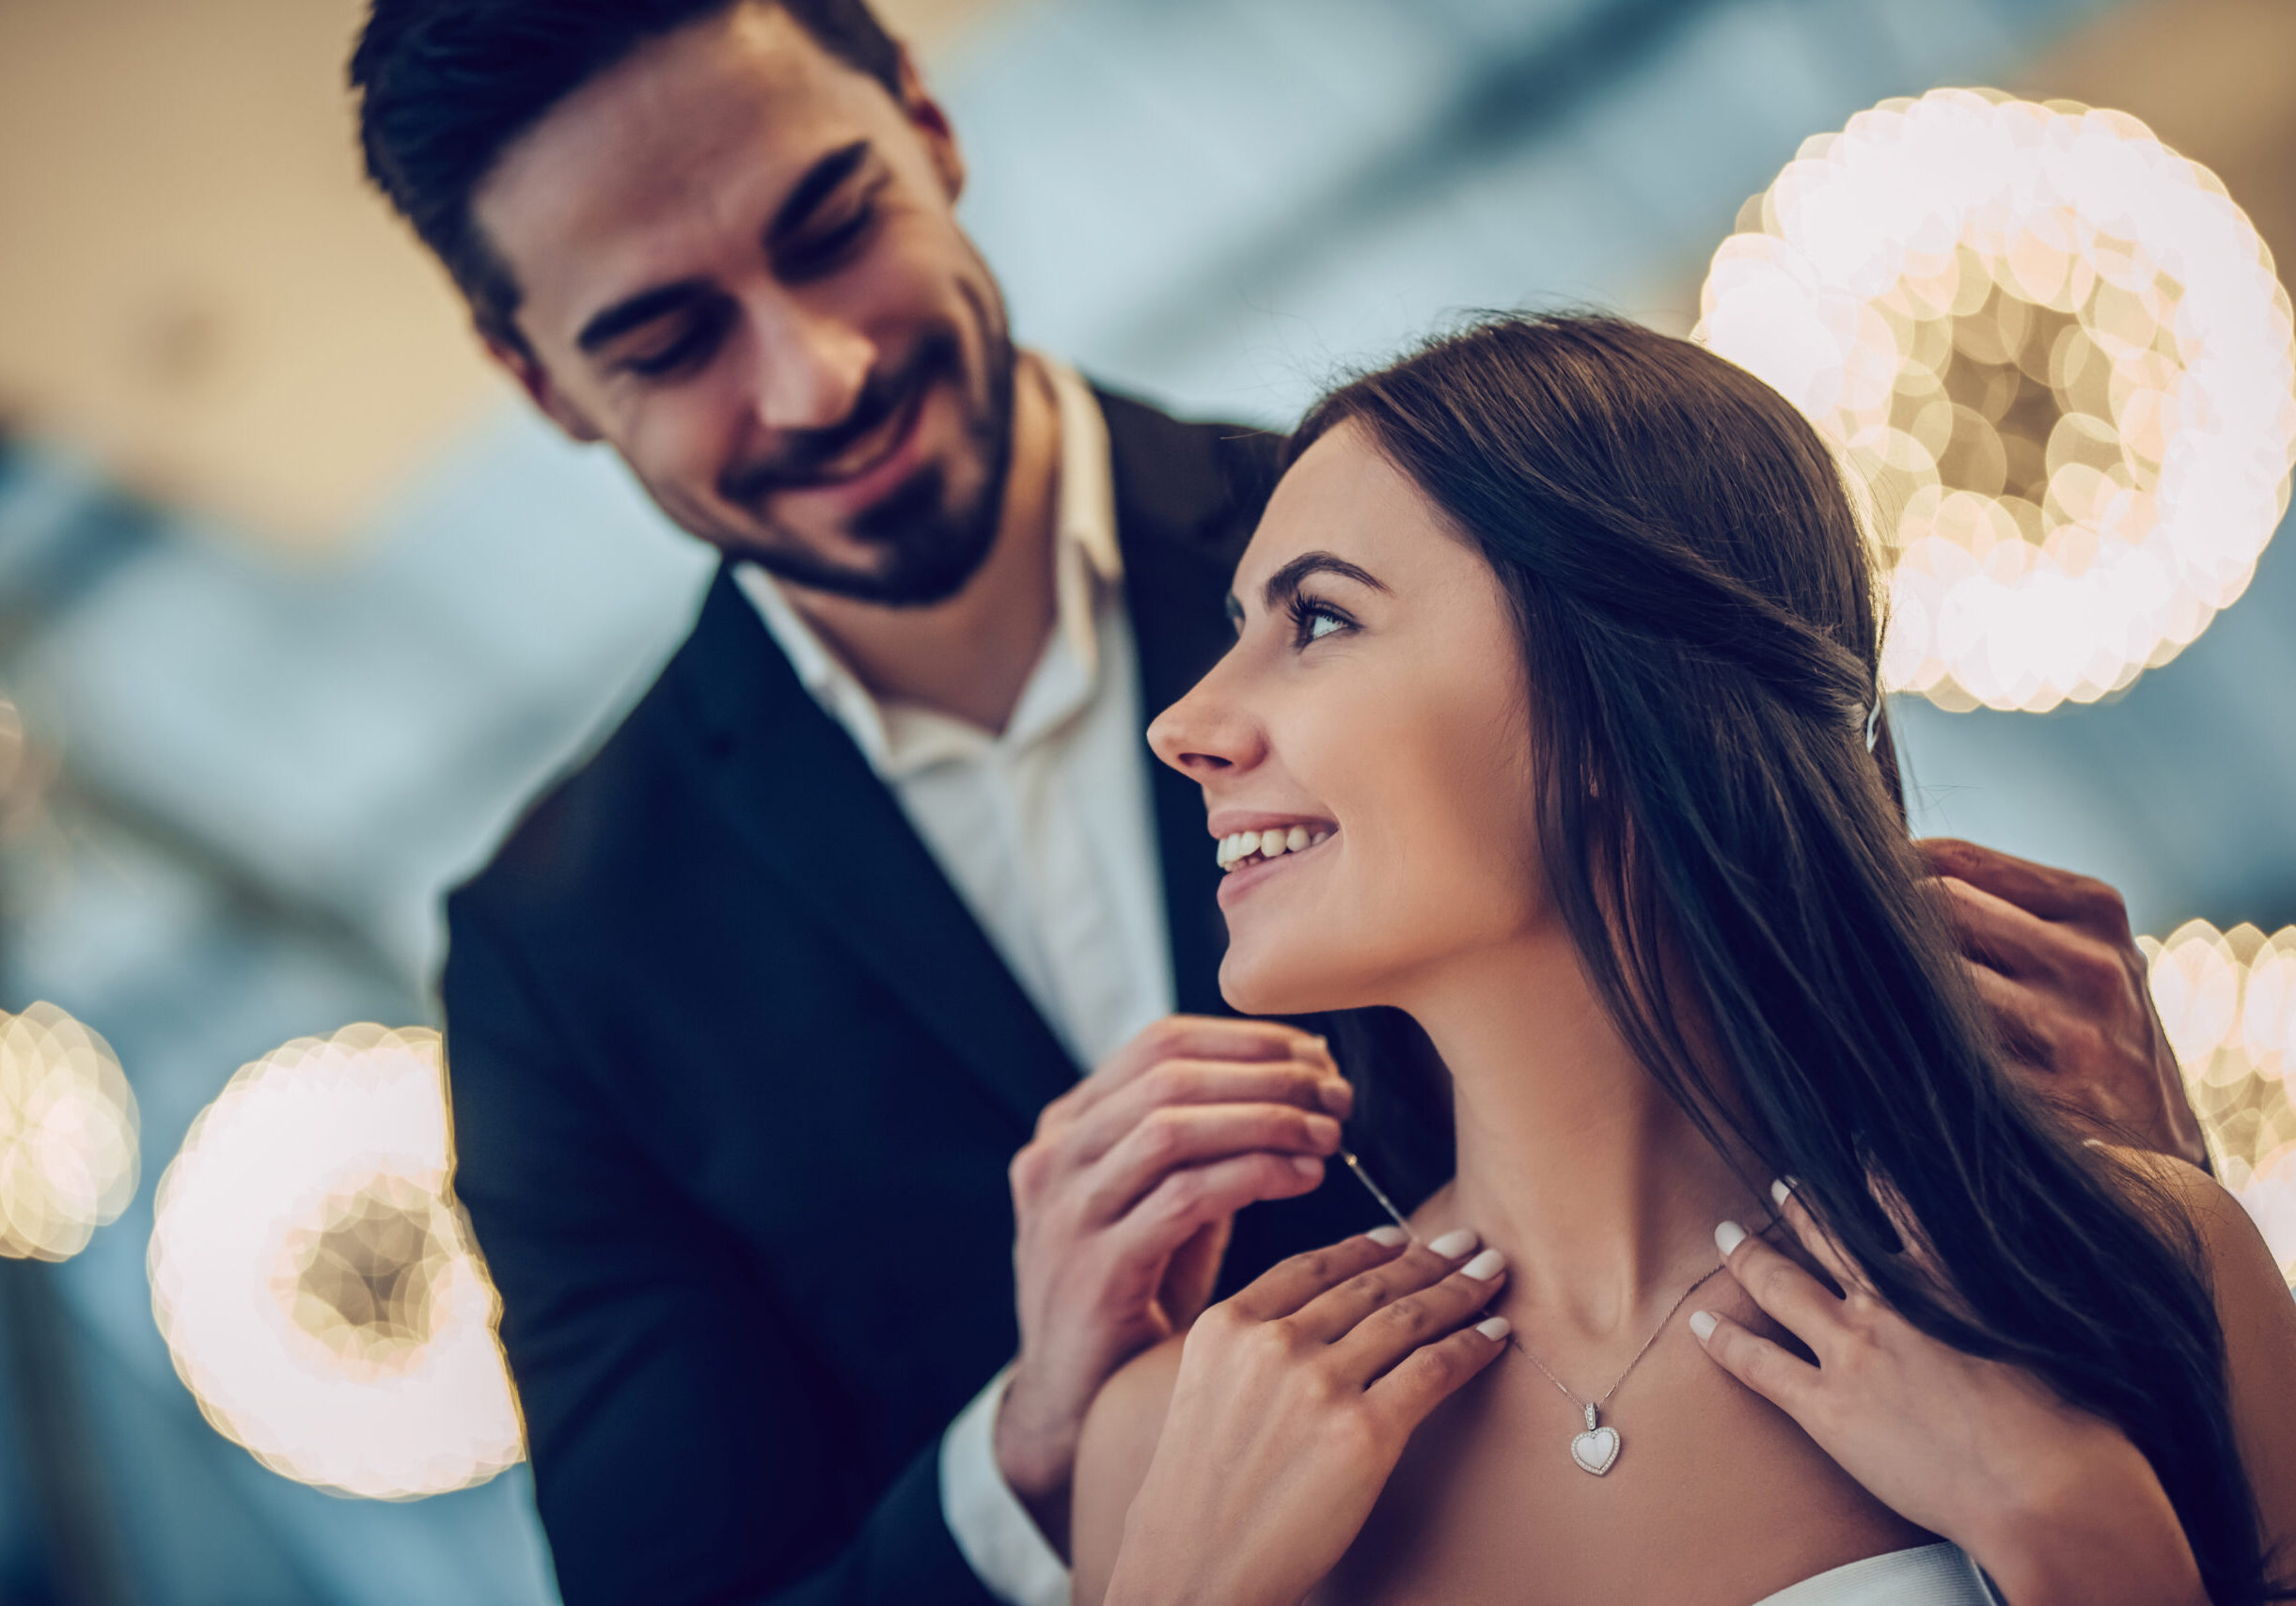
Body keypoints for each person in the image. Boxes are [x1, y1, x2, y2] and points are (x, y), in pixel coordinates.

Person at [346, 1, 2214, 1600]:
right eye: (667, 340)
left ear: (926, 123)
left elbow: (1748, 916)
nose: (817, 370)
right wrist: (1045, 1448)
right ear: (539, 380)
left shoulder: (1467, 540)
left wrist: (2094, 1212)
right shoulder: (561, 959)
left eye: (834, 228)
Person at [1073, 314, 2296, 1606]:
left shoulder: (2126, 1267)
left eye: (1316, 619)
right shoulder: (1167, 1450)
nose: (1184, 724)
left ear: (1606, 693)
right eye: (1233, 628)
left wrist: (2077, 1527)